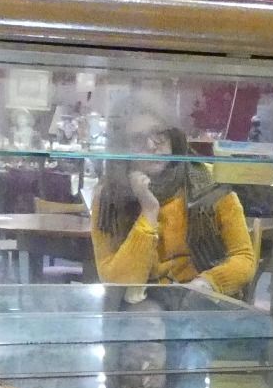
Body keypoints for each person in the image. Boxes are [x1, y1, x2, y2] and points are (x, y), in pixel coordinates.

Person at [90, 110, 257, 298]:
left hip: (203, 297)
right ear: (123, 148)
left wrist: (208, 283)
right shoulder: (109, 196)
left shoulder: (209, 181)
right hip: (143, 302)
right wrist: (149, 211)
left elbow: (244, 259)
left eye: (158, 134)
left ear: (172, 136)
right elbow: (116, 283)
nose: (151, 145)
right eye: (138, 139)